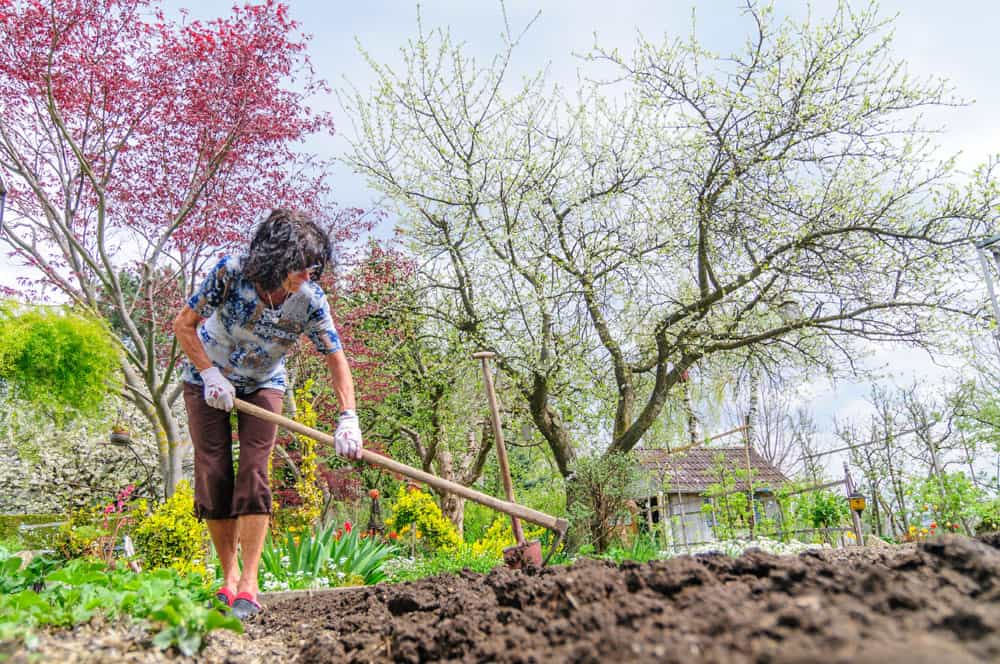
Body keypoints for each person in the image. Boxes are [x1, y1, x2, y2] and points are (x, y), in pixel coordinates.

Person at [173, 209, 363, 620]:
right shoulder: (230, 273)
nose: (308, 276)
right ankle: (228, 577)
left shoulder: (310, 301)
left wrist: (349, 416)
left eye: (315, 267)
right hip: (206, 377)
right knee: (213, 470)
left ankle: (249, 584)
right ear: (276, 259)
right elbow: (184, 325)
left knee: (255, 470)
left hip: (264, 382)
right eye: (302, 267)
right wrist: (209, 374)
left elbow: (335, 358)